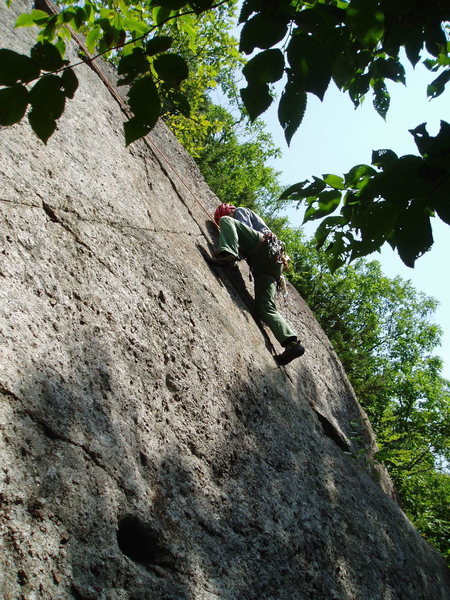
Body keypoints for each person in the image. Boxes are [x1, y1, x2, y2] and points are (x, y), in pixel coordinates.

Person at [210, 203, 305, 366]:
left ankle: (228, 254)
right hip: (269, 268)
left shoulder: (239, 212)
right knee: (265, 307)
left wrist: (233, 247)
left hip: (263, 248)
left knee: (228, 221)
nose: (221, 226)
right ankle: (292, 344)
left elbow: (243, 227)